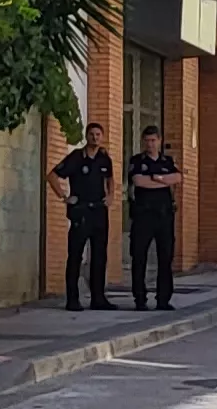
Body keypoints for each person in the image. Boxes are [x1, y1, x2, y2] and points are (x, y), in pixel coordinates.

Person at [52, 125, 113, 310]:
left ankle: (98, 298)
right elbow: (52, 175)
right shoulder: (77, 158)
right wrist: (64, 196)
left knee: (99, 256)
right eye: (92, 135)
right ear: (87, 137)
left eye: (98, 135)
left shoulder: (104, 158)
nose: (95, 138)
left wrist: (111, 195)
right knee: (76, 256)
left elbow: (110, 179)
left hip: (99, 212)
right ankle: (72, 299)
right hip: (81, 211)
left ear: (102, 137)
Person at [125, 126, 182, 310]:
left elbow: (178, 178)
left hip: (164, 216)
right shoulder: (137, 161)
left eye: (153, 140)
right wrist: (163, 181)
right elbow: (139, 182)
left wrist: (156, 178)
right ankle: (140, 299)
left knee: (165, 258)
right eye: (147, 141)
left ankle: (163, 299)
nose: (150, 144)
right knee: (139, 257)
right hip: (143, 216)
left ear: (159, 140)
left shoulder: (167, 160)